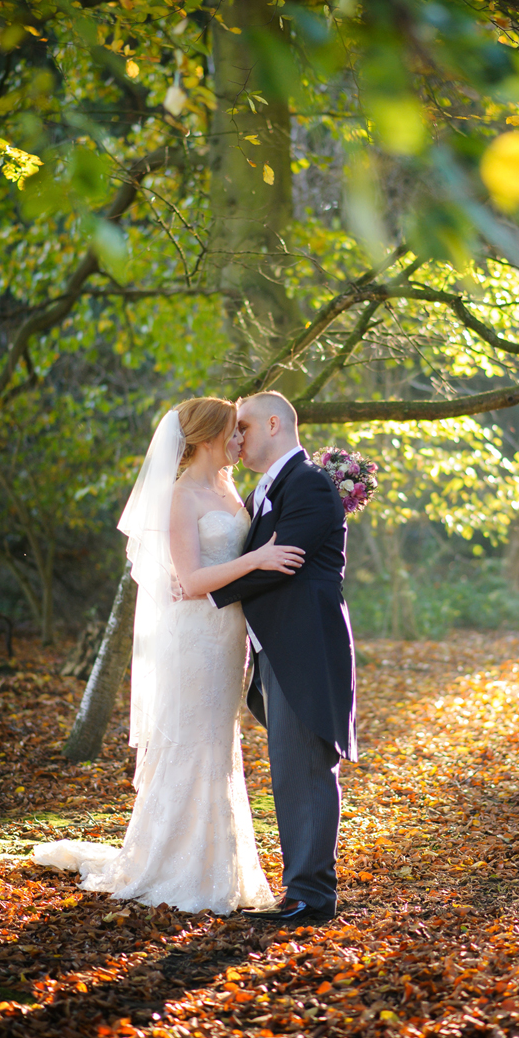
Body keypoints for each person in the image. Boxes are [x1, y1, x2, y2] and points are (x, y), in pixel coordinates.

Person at [33, 397, 305, 915]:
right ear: (205, 438)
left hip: (229, 634)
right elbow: (192, 580)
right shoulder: (182, 497)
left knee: (219, 743)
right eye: (232, 432)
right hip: (194, 636)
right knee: (194, 740)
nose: (239, 441)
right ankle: (176, 865)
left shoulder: (227, 489)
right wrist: (259, 558)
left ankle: (218, 863)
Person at [210, 391, 357, 923]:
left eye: (244, 426)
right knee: (291, 771)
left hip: (306, 647)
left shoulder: (312, 485)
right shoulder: (266, 488)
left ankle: (311, 896)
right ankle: (301, 889)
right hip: (278, 647)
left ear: (274, 423)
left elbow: (281, 564)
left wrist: (203, 587)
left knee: (307, 771)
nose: (237, 438)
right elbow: (262, 559)